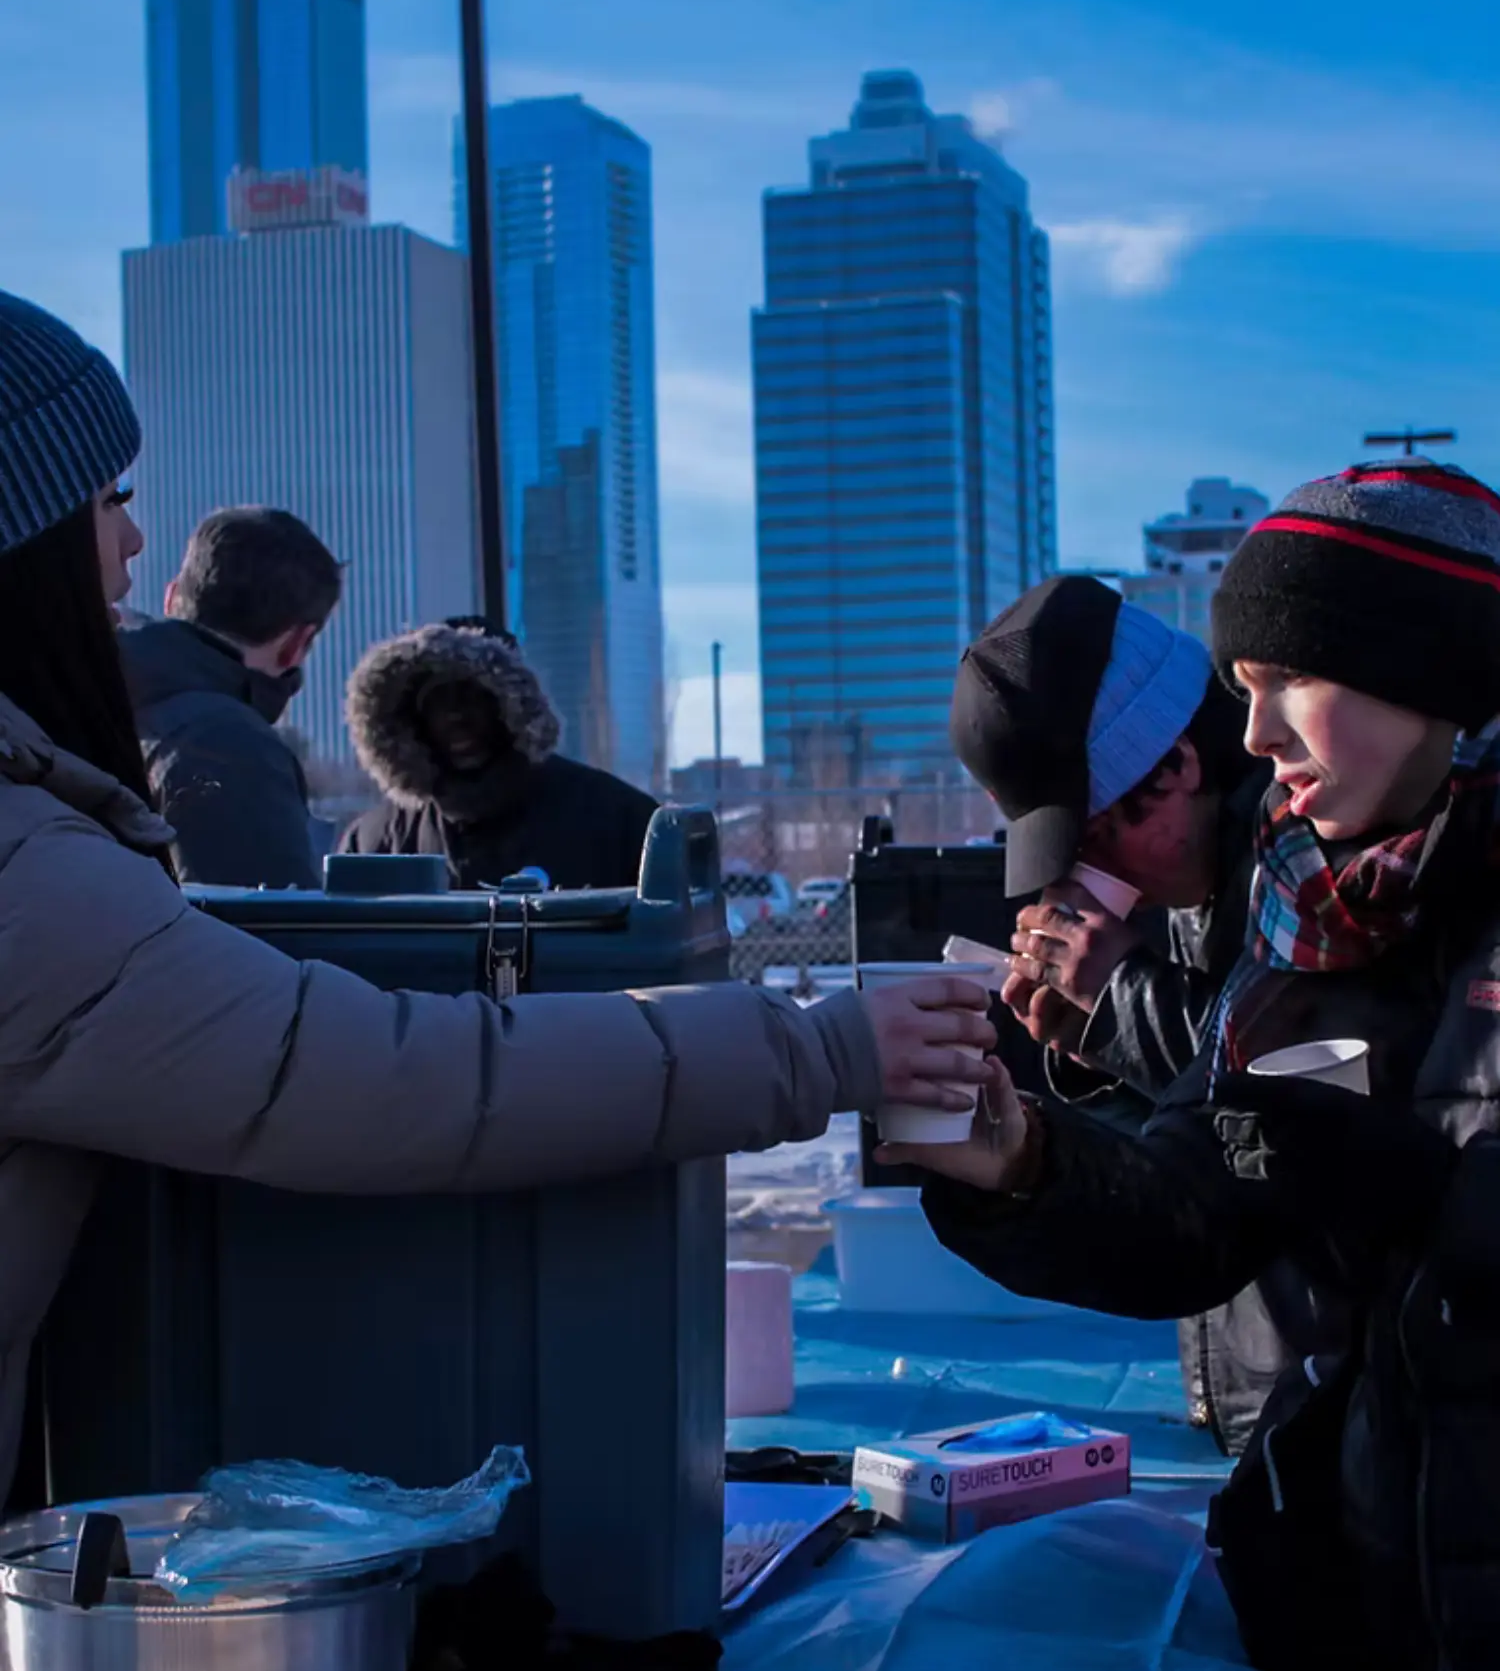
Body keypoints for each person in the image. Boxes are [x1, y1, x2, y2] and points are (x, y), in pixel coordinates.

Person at [0, 289, 996, 1509]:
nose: (137, 545)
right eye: (111, 500)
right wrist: (818, 1049)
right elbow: (365, 1075)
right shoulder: (25, 871)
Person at [894, 458, 1500, 1671]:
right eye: (1243, 693)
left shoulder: (1307, 912)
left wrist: (1123, 1028)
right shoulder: (1326, 920)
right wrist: (1021, 1163)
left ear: (1425, 675)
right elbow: (1230, 1157)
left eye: (1289, 685)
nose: (1259, 734)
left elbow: (1333, 1114)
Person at [950, 576, 1270, 1440]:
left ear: (1178, 765)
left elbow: (1310, 1100)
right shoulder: (1194, 876)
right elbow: (1193, 1169)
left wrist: (1124, 1001)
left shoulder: (1308, 870)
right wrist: (1092, 1059)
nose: (1088, 883)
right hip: (1269, 1410)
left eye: (1091, 841)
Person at [340, 618, 658, 891]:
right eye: (438, 700)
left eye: (473, 695)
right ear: (413, 719)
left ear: (515, 704)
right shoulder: (374, 845)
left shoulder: (621, 822)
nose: (456, 716)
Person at [119, 505, 342, 888]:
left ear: (172, 598)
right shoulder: (232, 747)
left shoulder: (98, 692)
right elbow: (271, 937)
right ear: (297, 644)